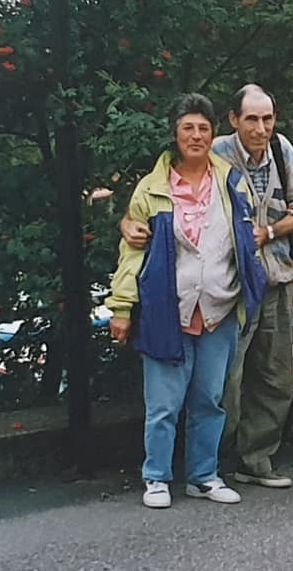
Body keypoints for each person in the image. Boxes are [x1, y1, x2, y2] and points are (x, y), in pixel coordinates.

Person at [121, 84, 293, 489]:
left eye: (267, 119)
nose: (260, 128)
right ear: (233, 120)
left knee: (273, 377)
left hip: (268, 280)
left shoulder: (275, 154)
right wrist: (125, 224)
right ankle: (203, 466)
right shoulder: (210, 156)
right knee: (221, 383)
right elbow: (148, 212)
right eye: (252, 119)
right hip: (216, 291)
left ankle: (251, 462)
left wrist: (270, 231)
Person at [106, 93, 266, 509]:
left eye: (203, 128)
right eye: (188, 128)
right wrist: (121, 308)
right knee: (163, 405)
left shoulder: (232, 181)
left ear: (214, 134)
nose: (196, 136)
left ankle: (204, 476)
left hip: (219, 308)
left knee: (210, 400)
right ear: (175, 134)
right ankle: (156, 477)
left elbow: (247, 238)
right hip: (167, 311)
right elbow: (131, 254)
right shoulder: (151, 188)